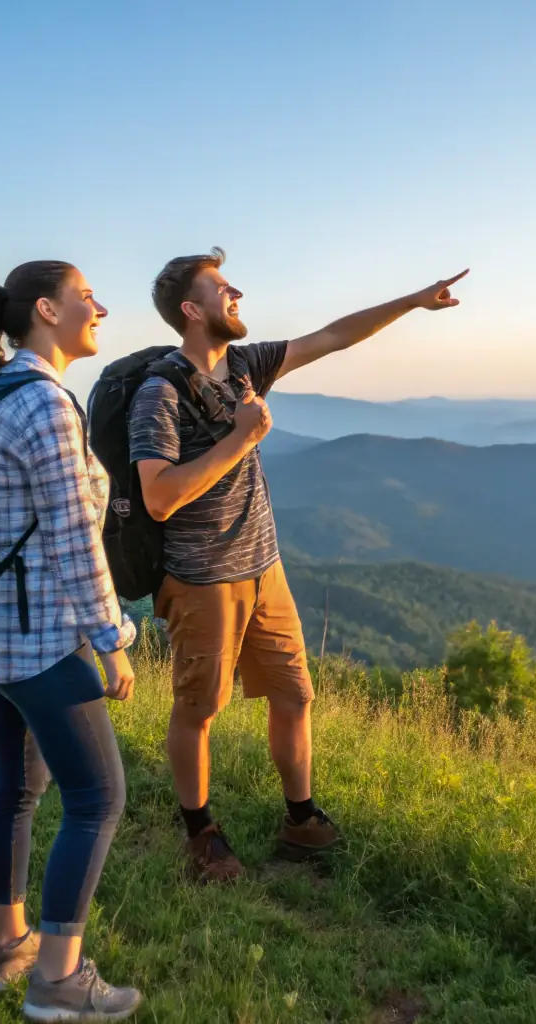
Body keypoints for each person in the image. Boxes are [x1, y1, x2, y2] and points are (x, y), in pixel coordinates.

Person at [130, 248, 467, 881]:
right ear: (191, 309)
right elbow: (159, 494)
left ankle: (301, 820)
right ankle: (200, 832)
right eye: (223, 289)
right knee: (198, 710)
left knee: (294, 695)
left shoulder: (246, 364)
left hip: (265, 568)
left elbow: (333, 337)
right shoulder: (159, 395)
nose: (237, 295)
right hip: (202, 579)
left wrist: (414, 301)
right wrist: (242, 438)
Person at [0, 260, 142, 1020]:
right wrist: (111, 637)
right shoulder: (44, 408)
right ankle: (58, 981)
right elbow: (71, 538)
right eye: (86, 297)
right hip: (42, 638)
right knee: (96, 798)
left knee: (18, 791)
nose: (100, 306)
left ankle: (7, 949)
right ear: (46, 310)